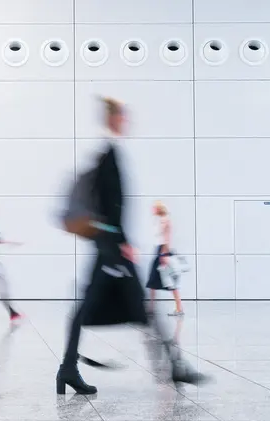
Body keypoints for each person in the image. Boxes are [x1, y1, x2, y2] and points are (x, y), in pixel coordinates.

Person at [56, 97, 205, 395]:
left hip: (109, 246)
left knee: (116, 307)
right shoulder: (108, 155)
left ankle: (69, 369)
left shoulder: (108, 154)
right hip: (112, 248)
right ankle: (172, 367)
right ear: (113, 118)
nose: (126, 121)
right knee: (128, 307)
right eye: (123, 116)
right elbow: (110, 205)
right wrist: (120, 241)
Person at [146, 201, 184, 316]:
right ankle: (151, 308)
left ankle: (179, 308)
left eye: (154, 208)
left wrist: (164, 254)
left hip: (163, 251)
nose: (152, 210)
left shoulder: (166, 220)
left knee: (170, 282)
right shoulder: (159, 220)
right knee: (152, 281)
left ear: (159, 209)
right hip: (159, 250)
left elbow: (167, 239)